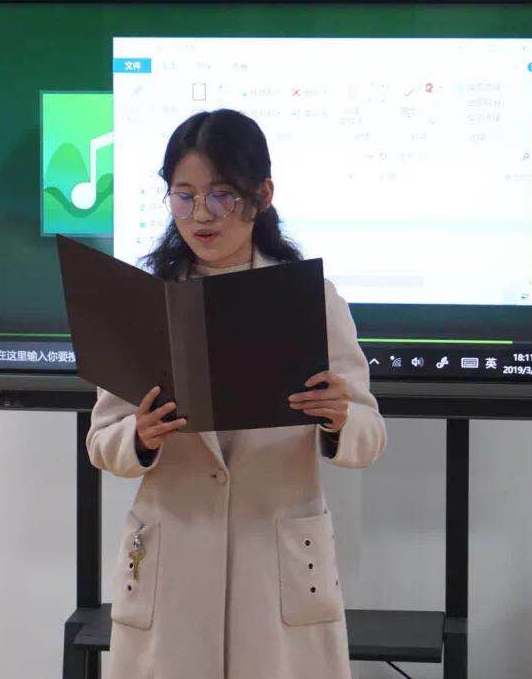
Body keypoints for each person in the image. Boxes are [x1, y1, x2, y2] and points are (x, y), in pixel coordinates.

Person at [86, 108, 387, 679]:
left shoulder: (310, 300)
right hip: (172, 566)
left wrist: (340, 419)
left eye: (222, 195)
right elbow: (102, 442)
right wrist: (140, 438)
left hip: (276, 569)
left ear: (262, 195)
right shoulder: (143, 303)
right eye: (184, 196)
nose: (201, 214)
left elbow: (370, 435)